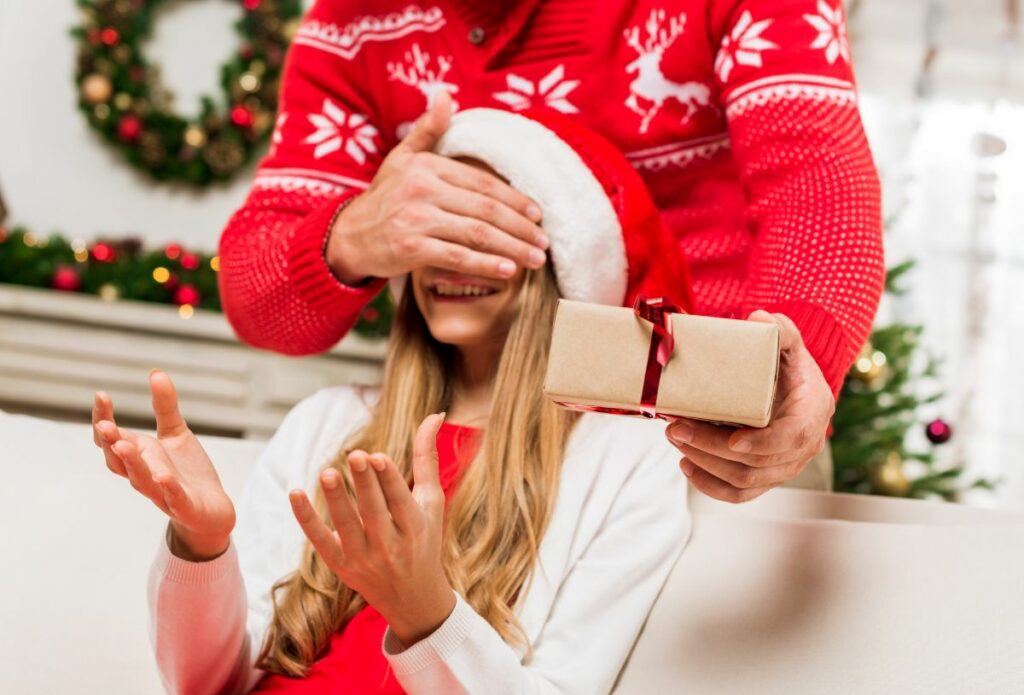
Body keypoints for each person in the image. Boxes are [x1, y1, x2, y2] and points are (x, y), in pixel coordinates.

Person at [29, 159, 689, 695]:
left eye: (480, 231)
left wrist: (425, 608)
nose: (448, 258)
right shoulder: (329, 419)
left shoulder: (625, 461)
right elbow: (201, 690)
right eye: (431, 231)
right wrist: (201, 546)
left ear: (560, 259)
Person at [217, 0, 885, 503]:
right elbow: (256, 301)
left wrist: (797, 368)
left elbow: (819, 190)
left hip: (708, 448)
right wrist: (354, 235)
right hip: (478, 448)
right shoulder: (351, 24)